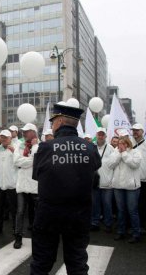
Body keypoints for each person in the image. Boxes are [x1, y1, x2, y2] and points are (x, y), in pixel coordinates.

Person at [30, 103, 101, 275]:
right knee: (77, 261)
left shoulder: (45, 148)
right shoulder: (90, 148)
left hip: (49, 214)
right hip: (79, 213)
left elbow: (37, 175)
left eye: (53, 121)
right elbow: (95, 171)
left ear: (60, 121)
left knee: (42, 262)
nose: (52, 125)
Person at [110, 136, 142, 243]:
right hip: (118, 186)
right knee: (121, 210)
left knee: (132, 211)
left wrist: (124, 153)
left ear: (127, 144)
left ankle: (136, 233)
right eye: (119, 143)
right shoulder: (115, 153)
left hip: (131, 187)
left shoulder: (135, 152)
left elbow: (134, 165)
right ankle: (120, 231)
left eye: (122, 143)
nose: (120, 145)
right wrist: (119, 154)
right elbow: (110, 165)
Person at [13, 123, 39, 249]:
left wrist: (34, 147)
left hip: (34, 186)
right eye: (23, 131)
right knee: (20, 211)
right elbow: (16, 161)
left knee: (35, 213)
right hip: (22, 184)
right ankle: (18, 237)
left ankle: (37, 236)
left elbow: (38, 160)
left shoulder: (39, 145)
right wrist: (31, 161)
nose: (23, 133)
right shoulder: (19, 145)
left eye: (26, 131)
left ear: (33, 132)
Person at [90, 127, 115, 233]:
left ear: (105, 136)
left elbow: (115, 165)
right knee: (95, 204)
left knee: (107, 205)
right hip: (94, 182)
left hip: (107, 182)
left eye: (102, 134)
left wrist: (112, 179)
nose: (100, 136)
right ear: (96, 135)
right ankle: (94, 223)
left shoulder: (111, 148)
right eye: (99, 134)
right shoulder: (91, 147)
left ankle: (108, 224)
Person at [131, 123, 146, 232]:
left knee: (143, 205)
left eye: (137, 130)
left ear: (142, 132)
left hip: (144, 180)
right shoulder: (129, 144)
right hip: (132, 180)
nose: (135, 132)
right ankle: (135, 226)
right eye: (133, 130)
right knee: (133, 206)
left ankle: (143, 226)